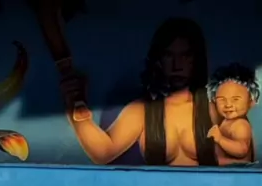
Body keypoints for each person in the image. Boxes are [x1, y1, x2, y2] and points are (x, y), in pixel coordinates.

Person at [62, 17, 217, 166]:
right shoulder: (142, 110)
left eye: (186, 55)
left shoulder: (214, 107)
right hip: (156, 185)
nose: (177, 65)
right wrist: (75, 105)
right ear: (158, 59)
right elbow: (103, 152)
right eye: (168, 55)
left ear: (197, 59)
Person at [206, 64, 260, 165]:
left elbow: (241, 150)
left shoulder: (240, 124)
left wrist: (220, 139)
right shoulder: (226, 121)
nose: (228, 105)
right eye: (222, 100)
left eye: (235, 99)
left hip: (238, 169)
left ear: (251, 102)